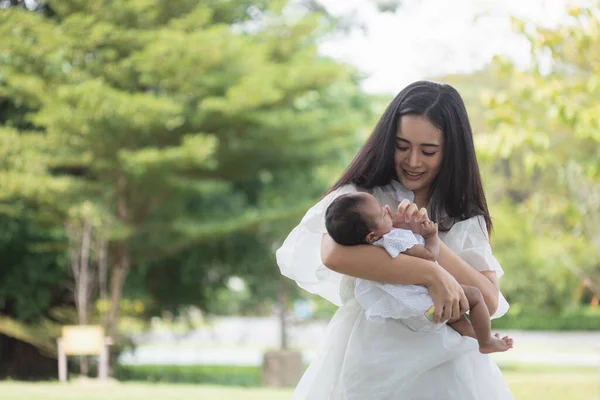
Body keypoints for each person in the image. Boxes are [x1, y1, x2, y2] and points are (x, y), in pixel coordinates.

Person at [276, 80, 515, 399]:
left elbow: (488, 299)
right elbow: (335, 255)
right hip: (370, 362)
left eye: (428, 151)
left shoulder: (462, 216)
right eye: (402, 146)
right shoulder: (362, 200)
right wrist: (430, 275)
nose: (413, 161)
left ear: (451, 151)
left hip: (447, 371)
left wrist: (430, 240)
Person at [325, 191, 514, 354]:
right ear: (372, 235)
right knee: (475, 295)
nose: (386, 210)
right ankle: (486, 340)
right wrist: (430, 236)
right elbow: (429, 256)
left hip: (420, 315)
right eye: (382, 215)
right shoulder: (394, 241)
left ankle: (480, 338)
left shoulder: (372, 249)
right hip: (429, 307)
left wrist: (392, 226)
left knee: (458, 321)